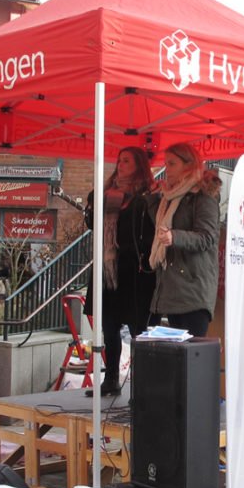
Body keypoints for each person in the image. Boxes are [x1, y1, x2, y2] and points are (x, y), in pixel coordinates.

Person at [83, 147, 158, 396]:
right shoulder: (105, 194)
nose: (120, 164)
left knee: (139, 329)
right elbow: (93, 226)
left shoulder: (147, 196)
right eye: (119, 160)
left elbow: (149, 231)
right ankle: (111, 378)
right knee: (109, 326)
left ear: (139, 165)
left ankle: (141, 384)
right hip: (108, 269)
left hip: (134, 271)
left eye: (126, 160)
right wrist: (94, 204)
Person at [147, 142, 221, 337]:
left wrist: (175, 236)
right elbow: (159, 223)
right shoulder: (170, 196)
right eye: (166, 163)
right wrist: (153, 197)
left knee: (192, 354)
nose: (166, 169)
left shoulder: (203, 196)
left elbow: (208, 237)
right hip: (174, 287)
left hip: (193, 286)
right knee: (179, 356)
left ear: (188, 165)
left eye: (172, 164)